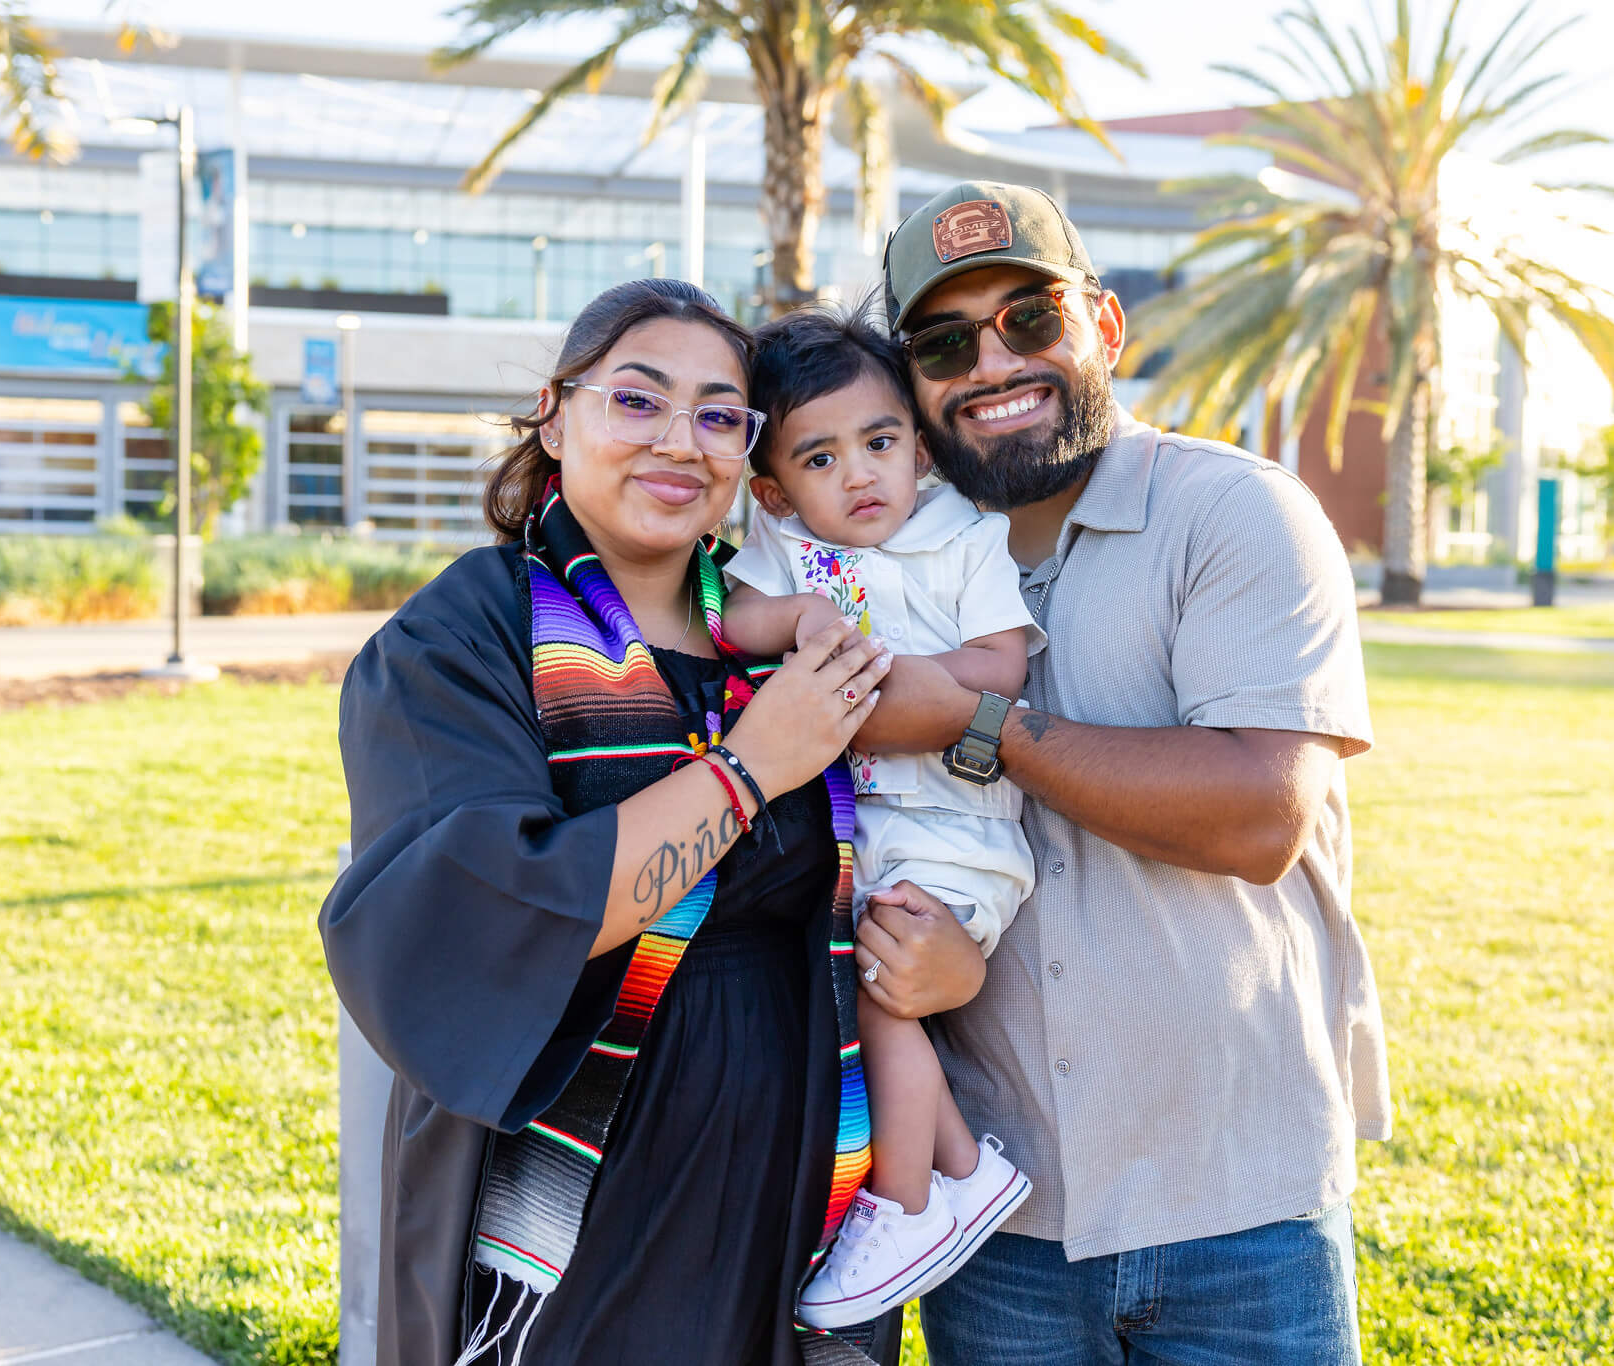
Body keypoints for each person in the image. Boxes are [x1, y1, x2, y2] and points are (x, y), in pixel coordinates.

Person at [319, 278, 982, 1366]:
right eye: (637, 400)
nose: (680, 441)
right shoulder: (465, 636)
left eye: (719, 416)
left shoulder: (789, 629)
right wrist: (749, 769)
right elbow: (479, 912)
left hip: (798, 1181)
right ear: (553, 415)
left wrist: (943, 964)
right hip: (589, 1204)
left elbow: (911, 844)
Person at [852, 181, 1392, 1364]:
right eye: (943, 344)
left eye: (1028, 318)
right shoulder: (882, 551)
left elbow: (1257, 816)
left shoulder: (1236, 513)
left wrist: (980, 720)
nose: (992, 363)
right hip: (999, 1214)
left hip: (1235, 1206)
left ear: (1102, 323)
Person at [719, 306, 1037, 1329]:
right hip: (867, 835)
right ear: (775, 489)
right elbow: (730, 620)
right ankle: (961, 1170)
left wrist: (900, 688)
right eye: (820, 458)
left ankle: (903, 1204)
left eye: (880, 441)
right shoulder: (787, 548)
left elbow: (1002, 663)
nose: (858, 474)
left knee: (883, 1000)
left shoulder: (964, 536)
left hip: (957, 833)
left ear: (917, 443)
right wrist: (800, 616)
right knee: (870, 992)